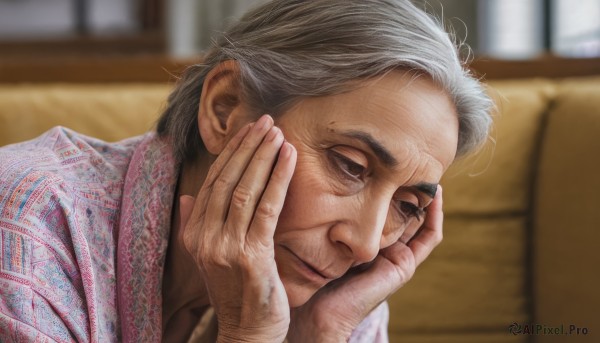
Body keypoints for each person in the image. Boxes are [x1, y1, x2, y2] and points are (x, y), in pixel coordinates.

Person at [0, 0, 493, 342]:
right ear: (226, 109)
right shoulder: (26, 223)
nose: (364, 243)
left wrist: (320, 338)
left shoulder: (336, 290)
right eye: (350, 166)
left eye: (407, 206)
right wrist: (249, 335)